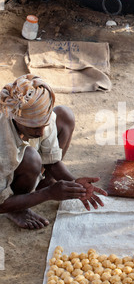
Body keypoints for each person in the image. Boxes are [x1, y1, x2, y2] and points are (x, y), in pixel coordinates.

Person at [0, 74, 107, 230]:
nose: (41, 132)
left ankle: (44, 182)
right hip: (11, 177)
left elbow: (53, 162)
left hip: (33, 163)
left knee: (64, 115)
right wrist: (47, 194)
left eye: (45, 124)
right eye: (35, 128)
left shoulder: (41, 119)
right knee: (31, 158)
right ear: (17, 121)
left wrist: (76, 184)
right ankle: (18, 207)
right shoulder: (3, 139)